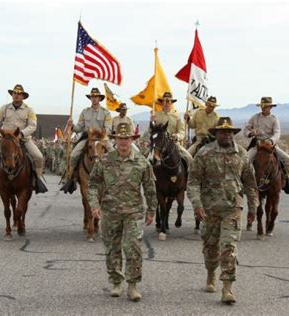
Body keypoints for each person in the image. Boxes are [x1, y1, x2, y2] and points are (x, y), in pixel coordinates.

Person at [187, 117, 259, 304]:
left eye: (229, 132)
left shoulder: (242, 154)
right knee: (210, 248)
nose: (226, 134)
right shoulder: (204, 153)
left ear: (233, 134)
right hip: (209, 210)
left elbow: (250, 183)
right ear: (216, 133)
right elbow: (193, 181)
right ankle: (211, 272)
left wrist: (253, 207)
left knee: (229, 248)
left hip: (232, 209)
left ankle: (227, 288)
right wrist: (197, 204)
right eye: (222, 131)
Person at [88, 123, 157, 302]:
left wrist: (152, 210)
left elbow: (150, 187)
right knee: (112, 248)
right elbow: (93, 184)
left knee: (133, 247)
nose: (123, 142)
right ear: (115, 140)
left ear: (132, 140)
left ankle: (133, 285)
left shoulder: (142, 162)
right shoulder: (104, 160)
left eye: (127, 138)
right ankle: (116, 282)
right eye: (120, 138)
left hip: (133, 212)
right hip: (110, 211)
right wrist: (94, 205)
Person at [0, 84, 46, 193]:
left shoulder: (29, 110)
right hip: (6, 139)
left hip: (23, 139)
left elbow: (32, 126)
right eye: (14, 93)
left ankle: (36, 180)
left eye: (19, 94)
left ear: (23, 96)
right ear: (12, 95)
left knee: (38, 156)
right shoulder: (4, 108)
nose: (16, 95)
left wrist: (21, 134)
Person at [61, 87, 112, 193]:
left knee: (113, 153)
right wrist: (72, 126)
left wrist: (99, 133)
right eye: (92, 97)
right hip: (87, 138)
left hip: (101, 139)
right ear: (90, 98)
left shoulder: (106, 113)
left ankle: (118, 179)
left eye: (96, 97)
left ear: (100, 98)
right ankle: (70, 178)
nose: (94, 99)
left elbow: (108, 128)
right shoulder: (85, 112)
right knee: (74, 155)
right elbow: (79, 127)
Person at [243, 96, 289, 194]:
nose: (263, 108)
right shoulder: (255, 117)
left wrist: (271, 141)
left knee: (287, 159)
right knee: (246, 160)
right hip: (257, 145)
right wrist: (251, 133)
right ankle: (244, 184)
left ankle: (285, 181)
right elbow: (246, 129)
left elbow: (277, 133)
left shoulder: (274, 119)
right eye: (262, 106)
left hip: (270, 145)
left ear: (270, 107)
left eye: (266, 106)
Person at [150, 92, 193, 168]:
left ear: (171, 103)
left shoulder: (177, 116)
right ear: (162, 103)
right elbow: (151, 131)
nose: (166, 103)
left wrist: (177, 136)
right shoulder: (156, 115)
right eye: (164, 101)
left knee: (189, 158)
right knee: (146, 159)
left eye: (169, 101)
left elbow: (182, 131)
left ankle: (189, 177)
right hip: (159, 144)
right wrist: (152, 122)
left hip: (173, 143)